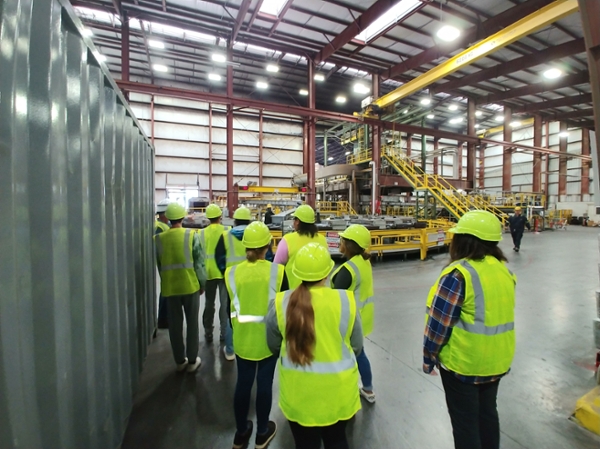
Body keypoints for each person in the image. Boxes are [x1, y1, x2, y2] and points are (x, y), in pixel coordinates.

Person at [423, 210, 516, 449]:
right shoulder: (504, 270)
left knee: (465, 425)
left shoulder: (459, 274)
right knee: (487, 416)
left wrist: (428, 357)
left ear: (465, 240)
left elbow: (439, 324)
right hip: (496, 361)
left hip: (463, 364)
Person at [266, 243, 363, 449]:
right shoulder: (345, 301)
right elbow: (357, 347)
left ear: (297, 272)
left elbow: (274, 345)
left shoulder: (280, 302)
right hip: (338, 395)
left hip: (298, 396)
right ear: (328, 271)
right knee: (337, 441)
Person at [225, 221, 288, 449]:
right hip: (269, 340)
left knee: (243, 384)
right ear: (267, 246)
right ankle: (262, 432)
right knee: (264, 383)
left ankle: (241, 433)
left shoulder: (232, 273)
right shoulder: (278, 272)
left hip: (243, 339)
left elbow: (228, 309)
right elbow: (284, 307)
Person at [155, 203, 207, 373]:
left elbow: (160, 264)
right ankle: (192, 360)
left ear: (167, 218)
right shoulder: (191, 236)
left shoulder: (160, 239)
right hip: (190, 285)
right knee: (192, 324)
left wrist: (166, 282)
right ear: (183, 217)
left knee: (175, 326)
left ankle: (179, 360)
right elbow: (199, 263)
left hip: (170, 288)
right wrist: (202, 284)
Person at [331, 224, 375, 403]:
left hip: (348, 321)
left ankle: (345, 392)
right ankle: (368, 389)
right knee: (359, 353)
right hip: (362, 318)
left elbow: (334, 297)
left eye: (343, 240)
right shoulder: (364, 262)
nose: (340, 242)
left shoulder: (348, 270)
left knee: (346, 355)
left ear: (349, 244)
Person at [215, 206, 252, 360]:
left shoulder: (225, 236)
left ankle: (230, 350)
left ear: (235, 220)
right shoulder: (254, 235)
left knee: (232, 313)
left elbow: (220, 258)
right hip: (251, 279)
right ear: (249, 220)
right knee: (251, 313)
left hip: (230, 281)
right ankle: (249, 346)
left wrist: (225, 272)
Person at [274, 204, 328, 289]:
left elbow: (276, 267)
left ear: (298, 221)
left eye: (294, 219)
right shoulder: (322, 240)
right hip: (318, 294)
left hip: (294, 293)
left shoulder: (288, 240)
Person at [199, 204, 229, 345]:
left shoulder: (201, 233)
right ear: (220, 216)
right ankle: (224, 332)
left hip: (208, 272)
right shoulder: (227, 230)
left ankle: (208, 332)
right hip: (223, 272)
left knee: (209, 303)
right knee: (224, 304)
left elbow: (199, 255)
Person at [155, 199, 171, 329]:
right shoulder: (161, 228)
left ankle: (163, 319)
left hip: (163, 264)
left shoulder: (158, 225)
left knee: (165, 291)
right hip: (165, 264)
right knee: (166, 292)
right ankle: (163, 320)